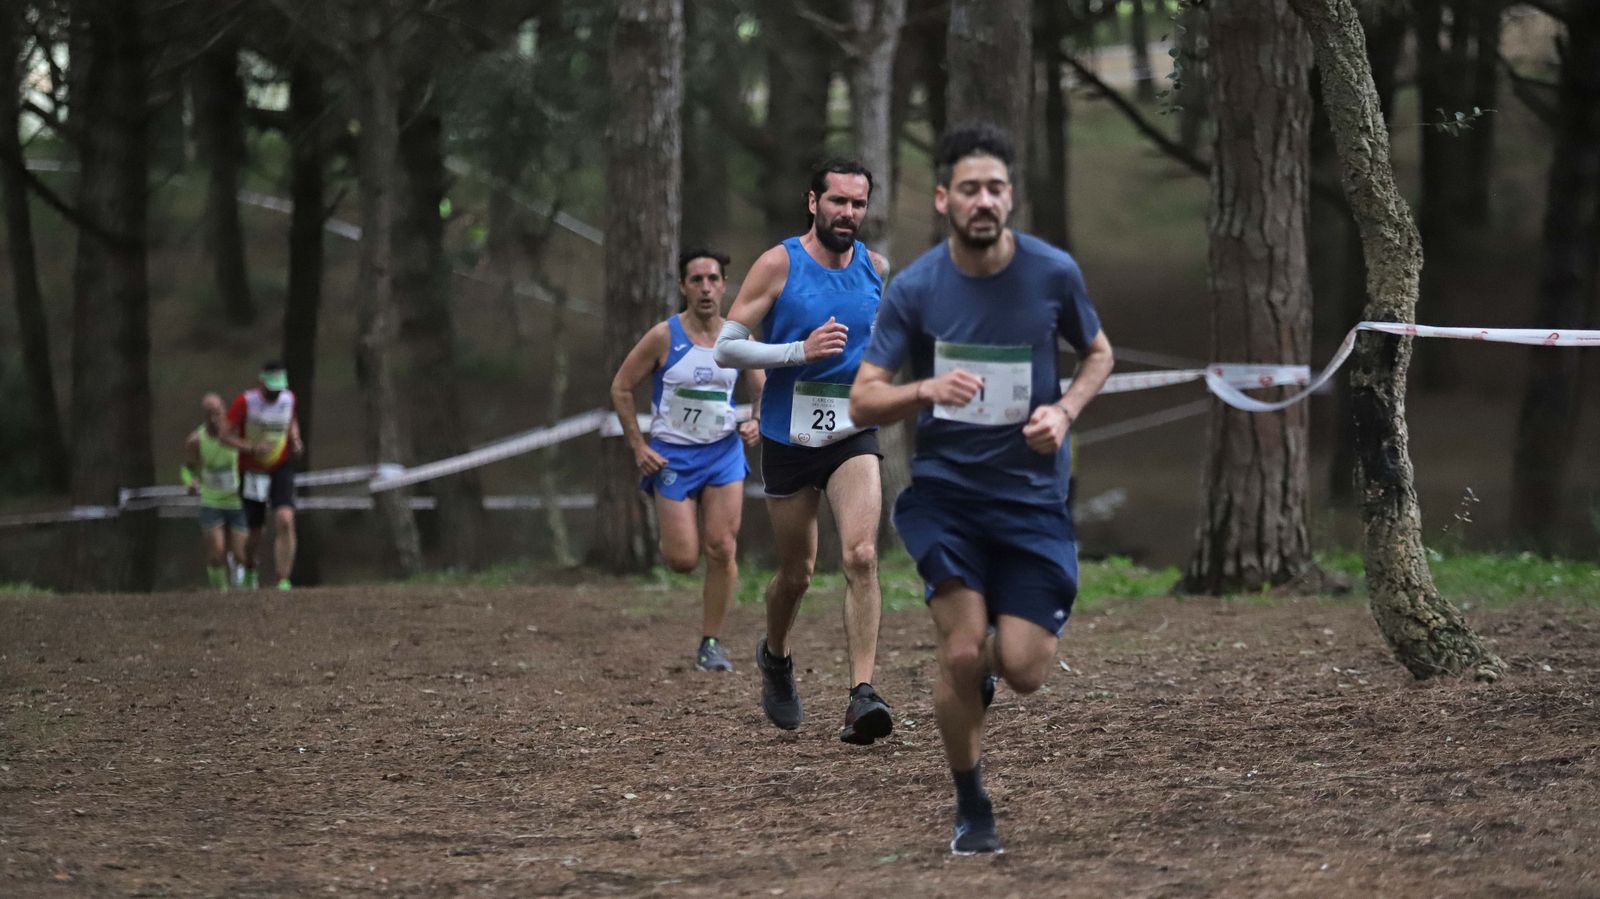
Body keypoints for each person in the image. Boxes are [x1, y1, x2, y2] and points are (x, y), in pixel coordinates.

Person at [849, 123, 1115, 854]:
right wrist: (927, 387)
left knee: (1024, 669)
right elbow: (863, 399)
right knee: (962, 654)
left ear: (1011, 198)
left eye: (996, 188)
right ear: (944, 199)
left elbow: (1098, 352)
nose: (984, 200)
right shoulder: (917, 288)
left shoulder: (1052, 273)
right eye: (969, 188)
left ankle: (991, 672)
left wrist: (1064, 410)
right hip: (948, 499)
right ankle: (972, 805)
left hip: (1032, 501)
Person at [713, 158, 895, 745]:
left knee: (862, 554)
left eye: (858, 203)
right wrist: (798, 352)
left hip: (851, 432)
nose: (848, 213)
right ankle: (776, 655)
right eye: (838, 201)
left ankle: (861, 695)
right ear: (813, 202)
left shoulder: (876, 268)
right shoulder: (779, 262)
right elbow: (727, 349)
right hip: (788, 436)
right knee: (796, 574)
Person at [610, 248, 765, 672]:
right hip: (672, 455)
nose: (705, 287)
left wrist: (757, 422)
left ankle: (711, 642)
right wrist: (639, 446)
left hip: (723, 454)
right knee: (682, 560)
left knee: (722, 546)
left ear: (724, 286)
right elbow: (622, 387)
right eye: (696, 280)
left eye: (713, 279)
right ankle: (676, 537)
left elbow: (762, 387)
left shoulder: (738, 339)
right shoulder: (664, 335)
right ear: (683, 287)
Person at [227, 361, 304, 590]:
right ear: (261, 382)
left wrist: (296, 439)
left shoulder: (288, 399)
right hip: (252, 471)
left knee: (285, 519)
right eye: (272, 388)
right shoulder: (245, 402)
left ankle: (283, 578)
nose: (276, 392)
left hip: (279, 466)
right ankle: (249, 566)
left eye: (280, 388)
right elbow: (225, 435)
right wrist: (250, 447)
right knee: (255, 532)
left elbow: (291, 422)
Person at [182, 393, 250, 591]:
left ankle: (247, 589)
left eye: (218, 413)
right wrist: (191, 481)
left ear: (225, 411)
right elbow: (187, 469)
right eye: (209, 414)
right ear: (204, 417)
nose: (214, 419)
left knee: (240, 554)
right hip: (212, 502)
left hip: (238, 501)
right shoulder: (196, 440)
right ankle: (220, 594)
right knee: (216, 553)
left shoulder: (237, 434)